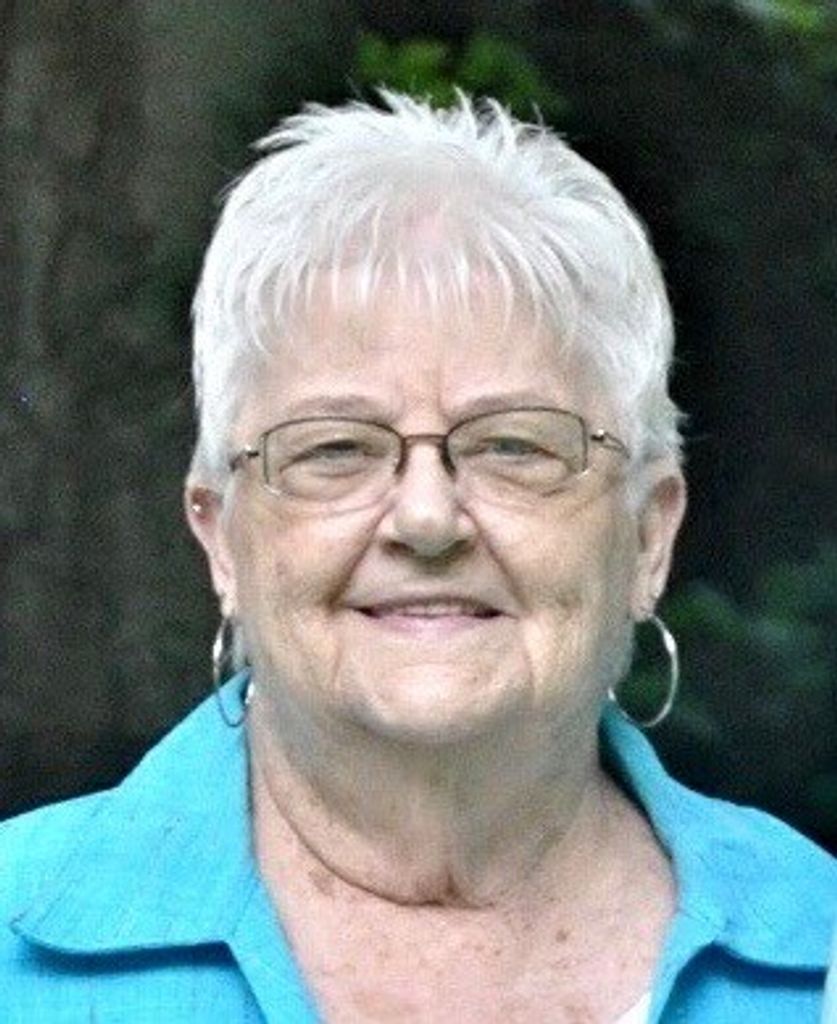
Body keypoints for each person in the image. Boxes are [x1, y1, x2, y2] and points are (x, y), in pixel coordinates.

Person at [2, 91, 835, 1024]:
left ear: (648, 535)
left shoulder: (815, 953)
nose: (428, 518)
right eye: (334, 448)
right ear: (220, 537)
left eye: (515, 446)